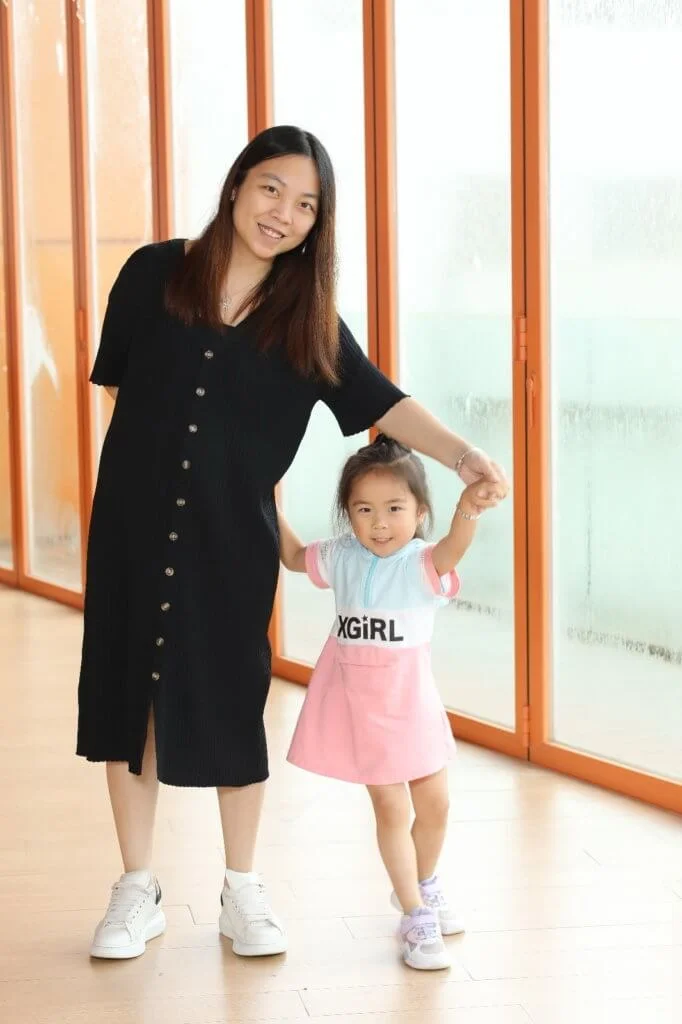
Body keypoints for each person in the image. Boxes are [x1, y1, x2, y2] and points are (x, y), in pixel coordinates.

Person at [77, 124, 508, 961]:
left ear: (317, 224)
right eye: (272, 188)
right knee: (130, 702)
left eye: (306, 205)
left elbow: (381, 400)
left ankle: (242, 889)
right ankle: (137, 888)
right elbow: (122, 389)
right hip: (132, 526)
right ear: (238, 184)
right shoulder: (152, 273)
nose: (283, 213)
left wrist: (461, 457)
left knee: (233, 700)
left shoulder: (306, 322)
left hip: (233, 540)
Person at [278, 434, 498, 970]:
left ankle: (422, 883)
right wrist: (266, 494)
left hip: (412, 706)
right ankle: (415, 915)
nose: (380, 523)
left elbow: (454, 547)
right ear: (348, 514)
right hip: (361, 710)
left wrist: (468, 507)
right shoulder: (341, 556)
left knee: (436, 805)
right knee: (392, 807)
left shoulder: (423, 562)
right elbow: (292, 556)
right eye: (364, 510)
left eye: (395, 509)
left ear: (420, 512)